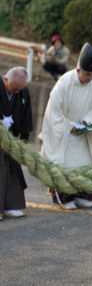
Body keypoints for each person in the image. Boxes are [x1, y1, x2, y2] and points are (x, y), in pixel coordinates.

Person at [41, 43, 92, 210]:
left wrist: (87, 122)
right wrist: (69, 126)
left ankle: (82, 195)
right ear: (78, 70)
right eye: (87, 74)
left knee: (87, 163)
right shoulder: (64, 83)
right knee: (67, 165)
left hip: (83, 129)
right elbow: (53, 112)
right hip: (65, 129)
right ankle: (66, 198)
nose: (90, 78)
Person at [0, 67, 32, 220]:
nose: (16, 92)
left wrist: (23, 138)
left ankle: (11, 206)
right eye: (14, 88)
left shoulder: (22, 92)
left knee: (13, 169)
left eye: (19, 89)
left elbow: (26, 115)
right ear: (6, 79)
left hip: (11, 139)